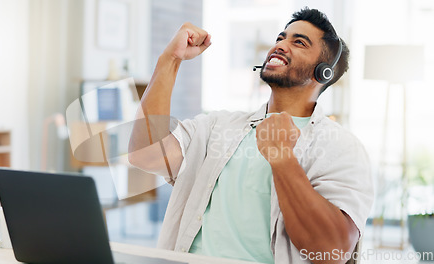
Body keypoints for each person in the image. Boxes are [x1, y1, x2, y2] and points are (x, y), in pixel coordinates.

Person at [128, 7, 374, 264]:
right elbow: (145, 154)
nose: (280, 46)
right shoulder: (217, 126)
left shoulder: (342, 147)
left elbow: (331, 251)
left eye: (298, 42)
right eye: (281, 38)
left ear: (323, 72)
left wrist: (281, 157)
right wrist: (169, 59)